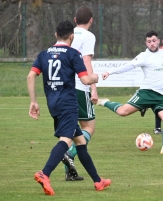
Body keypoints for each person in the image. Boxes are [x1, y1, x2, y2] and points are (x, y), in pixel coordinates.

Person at [27, 20, 111, 195]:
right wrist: (96, 77)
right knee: (65, 140)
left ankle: (98, 181)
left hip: (53, 103)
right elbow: (86, 80)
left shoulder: (44, 54)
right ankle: (44, 173)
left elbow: (30, 76)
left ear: (56, 35)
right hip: (68, 103)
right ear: (71, 36)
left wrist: (33, 102)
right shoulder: (73, 54)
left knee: (80, 142)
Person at [96, 25, 163, 155]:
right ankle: (104, 102)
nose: (152, 43)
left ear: (159, 41)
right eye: (149, 41)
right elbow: (128, 66)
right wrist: (109, 72)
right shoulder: (143, 56)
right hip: (146, 93)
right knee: (122, 112)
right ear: (146, 43)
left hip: (161, 97)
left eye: (154, 40)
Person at [61, 6, 99, 181]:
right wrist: (93, 88)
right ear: (91, 20)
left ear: (75, 20)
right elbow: (86, 61)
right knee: (89, 127)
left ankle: (69, 172)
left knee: (70, 130)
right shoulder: (89, 36)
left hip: (64, 88)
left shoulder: (68, 33)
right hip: (80, 86)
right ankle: (70, 153)